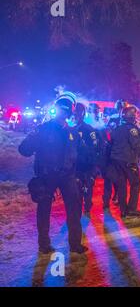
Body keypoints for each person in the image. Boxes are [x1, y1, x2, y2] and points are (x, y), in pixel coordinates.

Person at [18, 96, 87, 254]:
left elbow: (80, 155)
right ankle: (44, 245)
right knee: (44, 210)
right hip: (46, 176)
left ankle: (75, 244)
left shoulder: (72, 132)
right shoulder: (43, 129)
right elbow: (24, 150)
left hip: (67, 176)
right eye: (62, 111)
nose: (64, 114)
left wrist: (82, 174)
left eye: (66, 112)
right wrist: (33, 138)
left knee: (74, 209)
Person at [108, 106, 140, 219]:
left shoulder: (117, 129)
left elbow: (111, 142)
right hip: (128, 161)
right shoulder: (132, 129)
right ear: (132, 116)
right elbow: (137, 145)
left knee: (122, 185)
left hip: (117, 161)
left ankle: (123, 210)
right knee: (135, 183)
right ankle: (131, 209)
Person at [73, 103, 99, 217]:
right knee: (85, 186)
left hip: (83, 164)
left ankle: (85, 206)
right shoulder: (76, 129)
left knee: (84, 186)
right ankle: (86, 206)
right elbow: (95, 147)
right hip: (82, 164)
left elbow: (94, 147)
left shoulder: (76, 129)